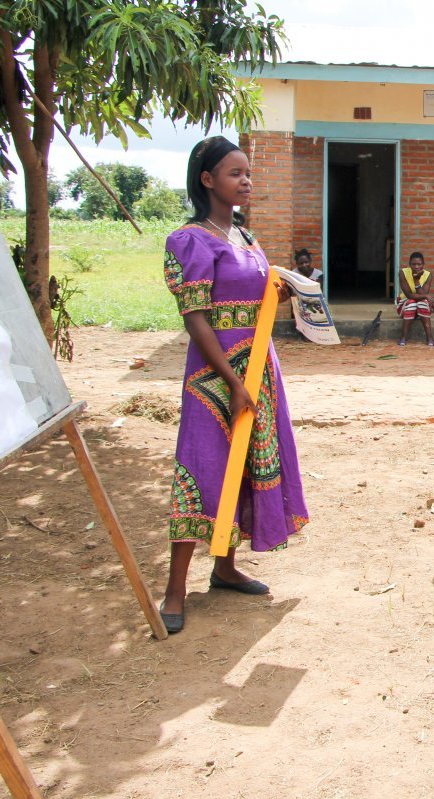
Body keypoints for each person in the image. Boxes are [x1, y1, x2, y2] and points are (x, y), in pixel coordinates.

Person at [158, 136, 309, 634]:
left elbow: (252, 298)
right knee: (202, 465)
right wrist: (231, 379)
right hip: (213, 375)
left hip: (260, 369)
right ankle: (175, 590)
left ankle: (224, 567)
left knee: (246, 465)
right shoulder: (190, 240)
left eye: (247, 173)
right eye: (234, 173)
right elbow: (196, 319)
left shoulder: (247, 237)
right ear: (207, 181)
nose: (246, 181)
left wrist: (282, 292)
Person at [395, 251, 434, 346]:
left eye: (419, 264)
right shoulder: (403, 273)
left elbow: (423, 293)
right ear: (409, 264)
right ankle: (403, 336)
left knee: (421, 303)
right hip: (405, 307)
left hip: (421, 309)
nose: (416, 267)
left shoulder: (428, 275)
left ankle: (429, 337)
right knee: (412, 302)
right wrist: (426, 296)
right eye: (413, 264)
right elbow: (409, 295)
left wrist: (417, 281)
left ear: (423, 265)